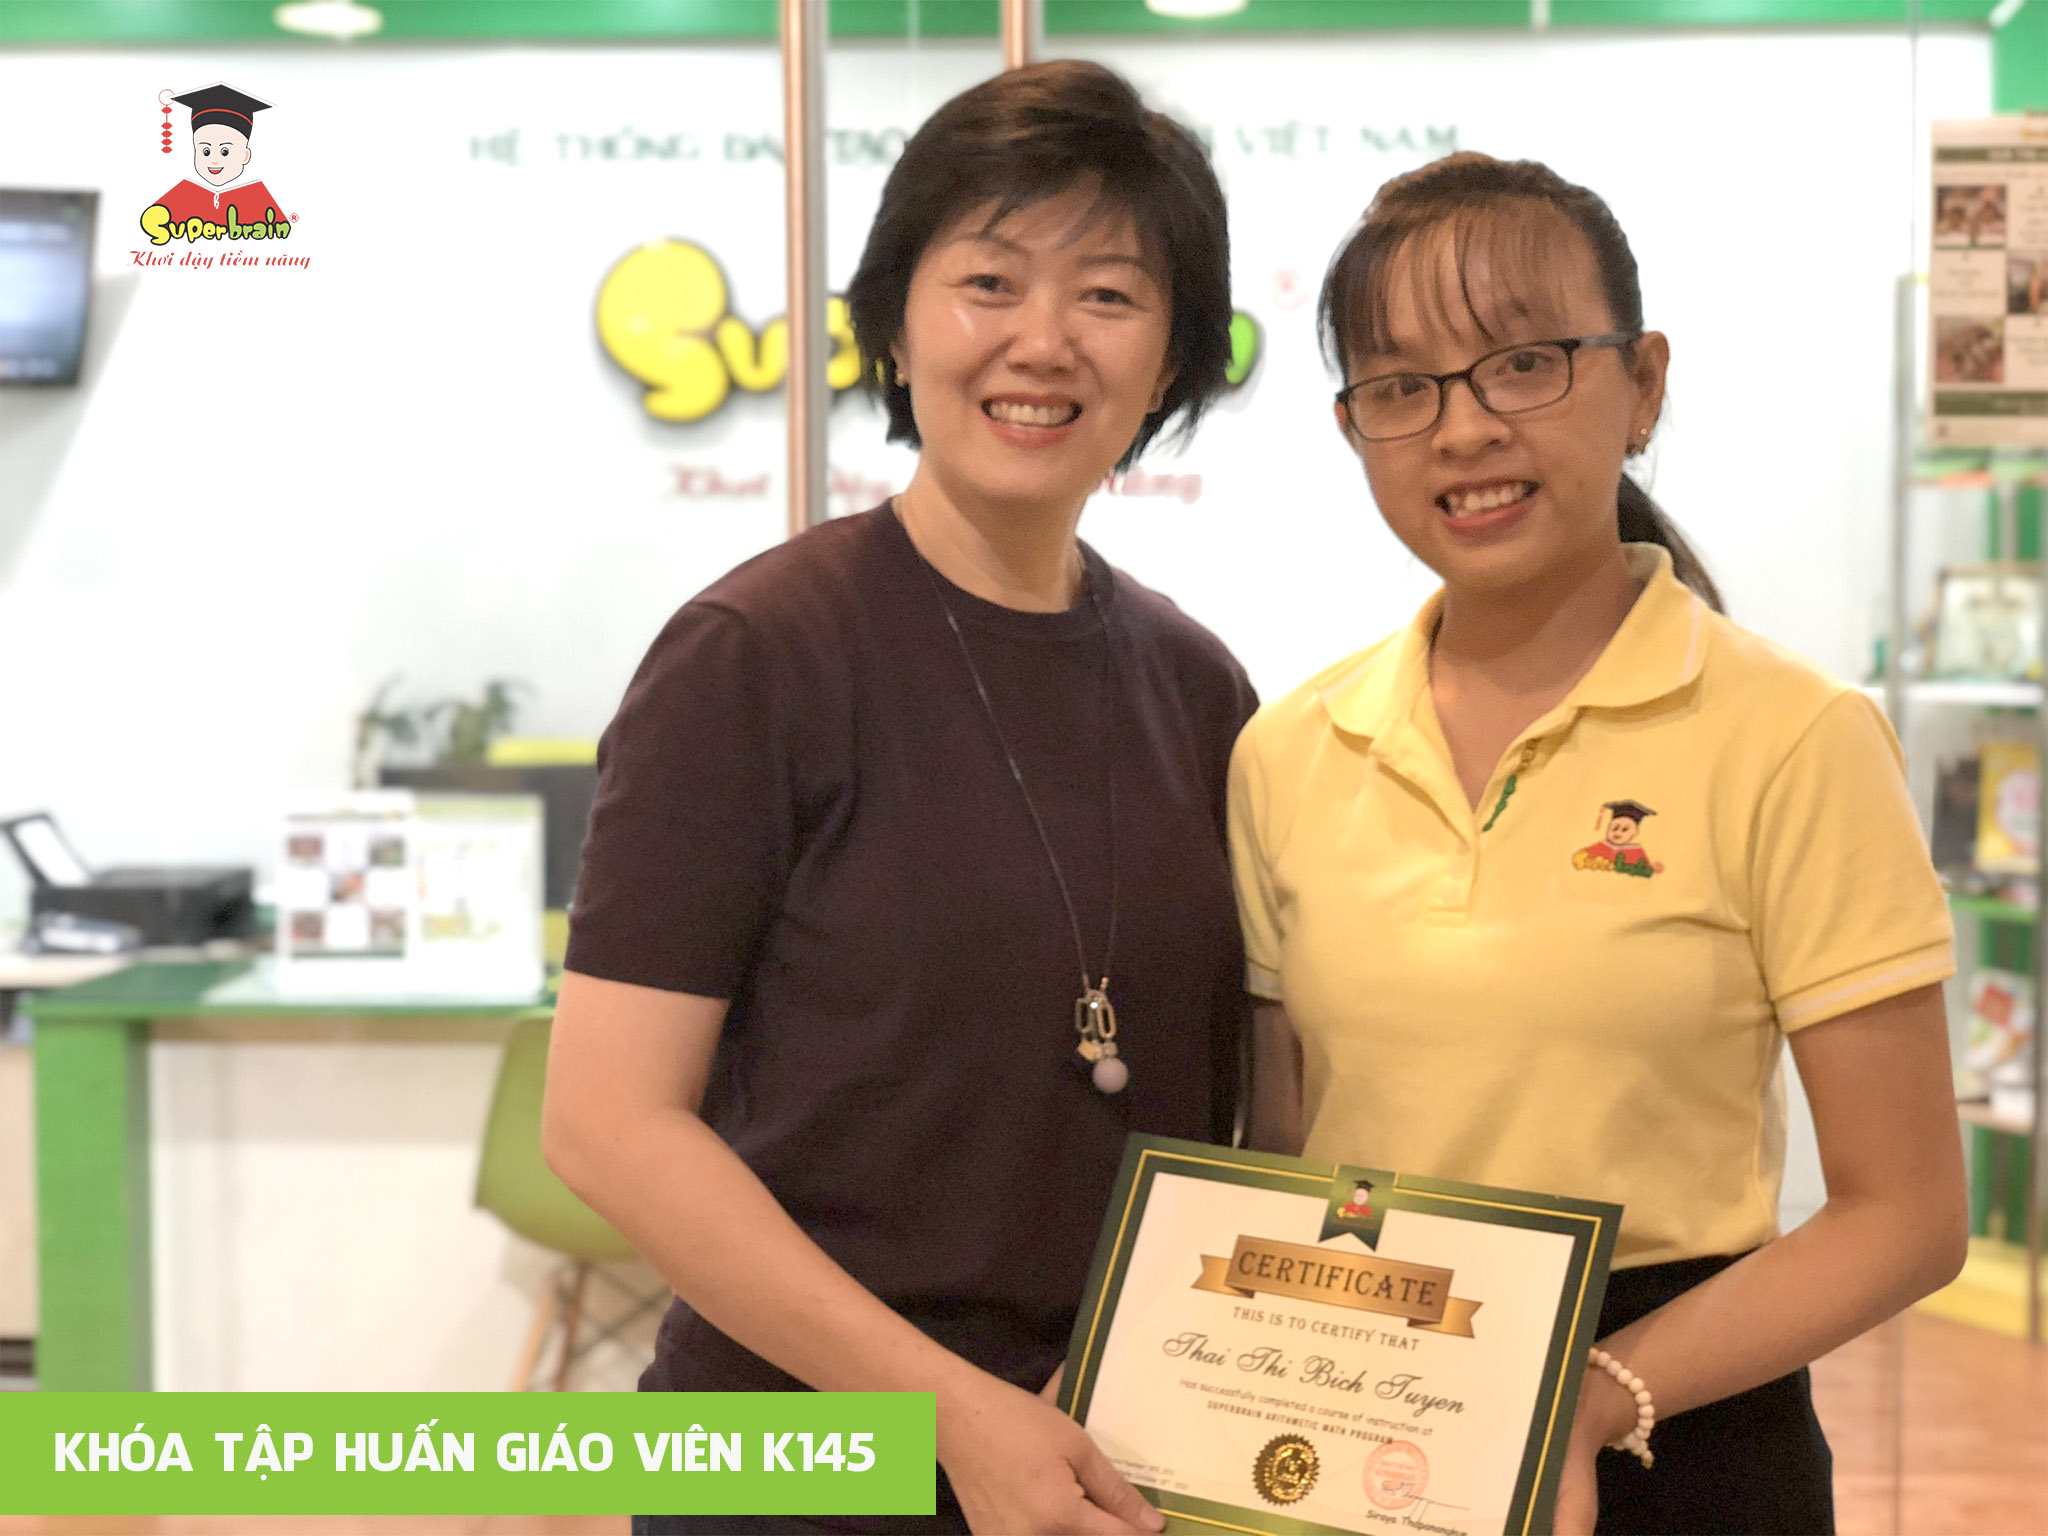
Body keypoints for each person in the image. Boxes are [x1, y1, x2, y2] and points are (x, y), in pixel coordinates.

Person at [544, 60, 1254, 1536]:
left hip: (1105, 1466)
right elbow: (607, 1123)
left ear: (1174, 356)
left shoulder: (1197, 689)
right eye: (989, 281)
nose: (1043, 341)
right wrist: (948, 1416)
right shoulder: (755, 656)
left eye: (1110, 295)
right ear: (896, 319)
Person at [1228, 152, 1966, 1536]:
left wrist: (1583, 1402)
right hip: (1371, 1427)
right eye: (1401, 387)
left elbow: (1907, 1214)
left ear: (1643, 384)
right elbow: (1284, 1159)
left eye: (1523, 363)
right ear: (1354, 430)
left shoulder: (1793, 736)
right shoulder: (1290, 749)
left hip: (1677, 1430)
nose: (1463, 429)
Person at [146, 84, 286, 229]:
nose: (214, 160)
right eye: (205, 151)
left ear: (245, 156)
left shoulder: (258, 199)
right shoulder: (179, 196)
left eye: (225, 151)